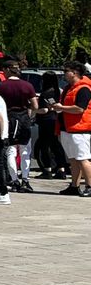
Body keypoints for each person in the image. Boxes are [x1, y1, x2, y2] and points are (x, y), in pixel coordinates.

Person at [0, 62, 37, 191]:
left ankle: (14, 180)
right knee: (25, 151)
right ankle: (25, 180)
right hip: (24, 119)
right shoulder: (27, 85)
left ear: (7, 70)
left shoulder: (2, 86)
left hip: (9, 119)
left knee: (11, 151)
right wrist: (31, 115)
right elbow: (35, 105)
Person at [54, 62, 91, 197]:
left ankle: (89, 185)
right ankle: (74, 186)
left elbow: (80, 109)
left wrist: (61, 108)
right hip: (67, 128)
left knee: (83, 159)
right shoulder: (69, 88)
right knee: (73, 159)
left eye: (66, 71)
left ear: (74, 73)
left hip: (79, 129)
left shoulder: (84, 89)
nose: (64, 73)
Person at [34, 71, 69, 181]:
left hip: (45, 121)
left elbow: (44, 110)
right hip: (56, 119)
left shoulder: (45, 93)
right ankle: (61, 169)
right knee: (55, 145)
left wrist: (34, 109)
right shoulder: (59, 91)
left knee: (44, 145)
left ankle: (47, 169)